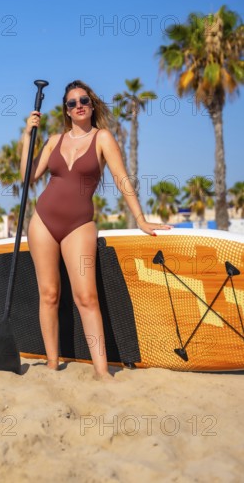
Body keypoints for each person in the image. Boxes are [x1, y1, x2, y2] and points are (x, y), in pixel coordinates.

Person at [20, 80, 171, 379]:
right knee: (48, 294)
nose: (79, 106)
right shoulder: (53, 140)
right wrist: (28, 136)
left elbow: (122, 179)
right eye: (72, 103)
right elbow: (27, 178)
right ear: (66, 110)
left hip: (79, 225)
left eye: (83, 101)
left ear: (92, 104)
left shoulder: (102, 138)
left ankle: (102, 372)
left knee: (86, 297)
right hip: (43, 223)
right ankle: (52, 364)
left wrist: (140, 219)